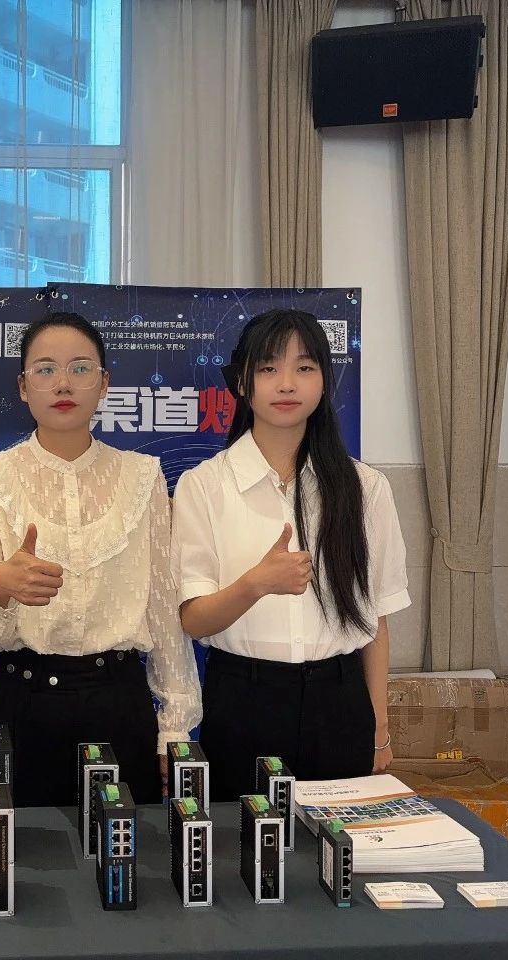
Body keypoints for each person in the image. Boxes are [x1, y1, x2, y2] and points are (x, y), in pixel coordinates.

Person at [0, 311, 201, 806]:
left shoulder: (143, 477)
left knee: (125, 849)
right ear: (23, 387)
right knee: (19, 848)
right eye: (45, 370)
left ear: (104, 383)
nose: (63, 384)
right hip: (23, 702)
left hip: (119, 700)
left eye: (80, 369)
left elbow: (163, 608)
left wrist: (174, 729)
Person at [173, 309, 409, 798]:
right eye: (268, 368)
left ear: (324, 381)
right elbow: (192, 621)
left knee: (335, 842)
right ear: (242, 382)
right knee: (245, 840)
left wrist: (380, 728)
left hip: (339, 704)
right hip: (243, 701)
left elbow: (376, 619)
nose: (286, 383)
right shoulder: (204, 486)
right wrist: (255, 583)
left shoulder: (365, 488)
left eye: (304, 367)